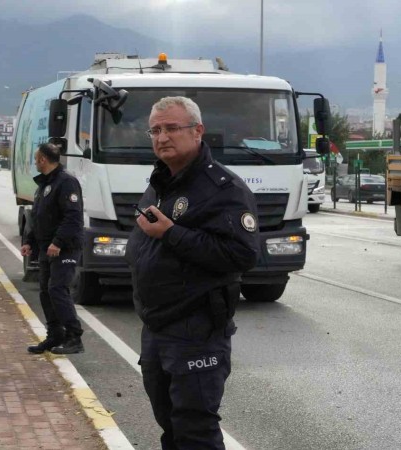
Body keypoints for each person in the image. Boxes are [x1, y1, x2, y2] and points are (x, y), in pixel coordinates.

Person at [125, 97, 260, 449]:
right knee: (170, 426)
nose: (161, 137)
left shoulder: (222, 189)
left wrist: (171, 233)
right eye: (155, 130)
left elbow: (242, 254)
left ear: (198, 131)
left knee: (195, 430)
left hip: (195, 328)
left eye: (171, 128)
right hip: (157, 327)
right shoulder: (162, 181)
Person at [20, 143, 85, 355]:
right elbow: (39, 216)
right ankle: (55, 334)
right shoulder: (45, 184)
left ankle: (74, 337)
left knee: (58, 289)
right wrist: (29, 241)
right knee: (46, 291)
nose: (35, 162)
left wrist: (58, 242)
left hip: (64, 248)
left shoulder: (66, 182)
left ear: (43, 160)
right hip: (46, 248)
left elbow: (73, 217)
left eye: (36, 158)